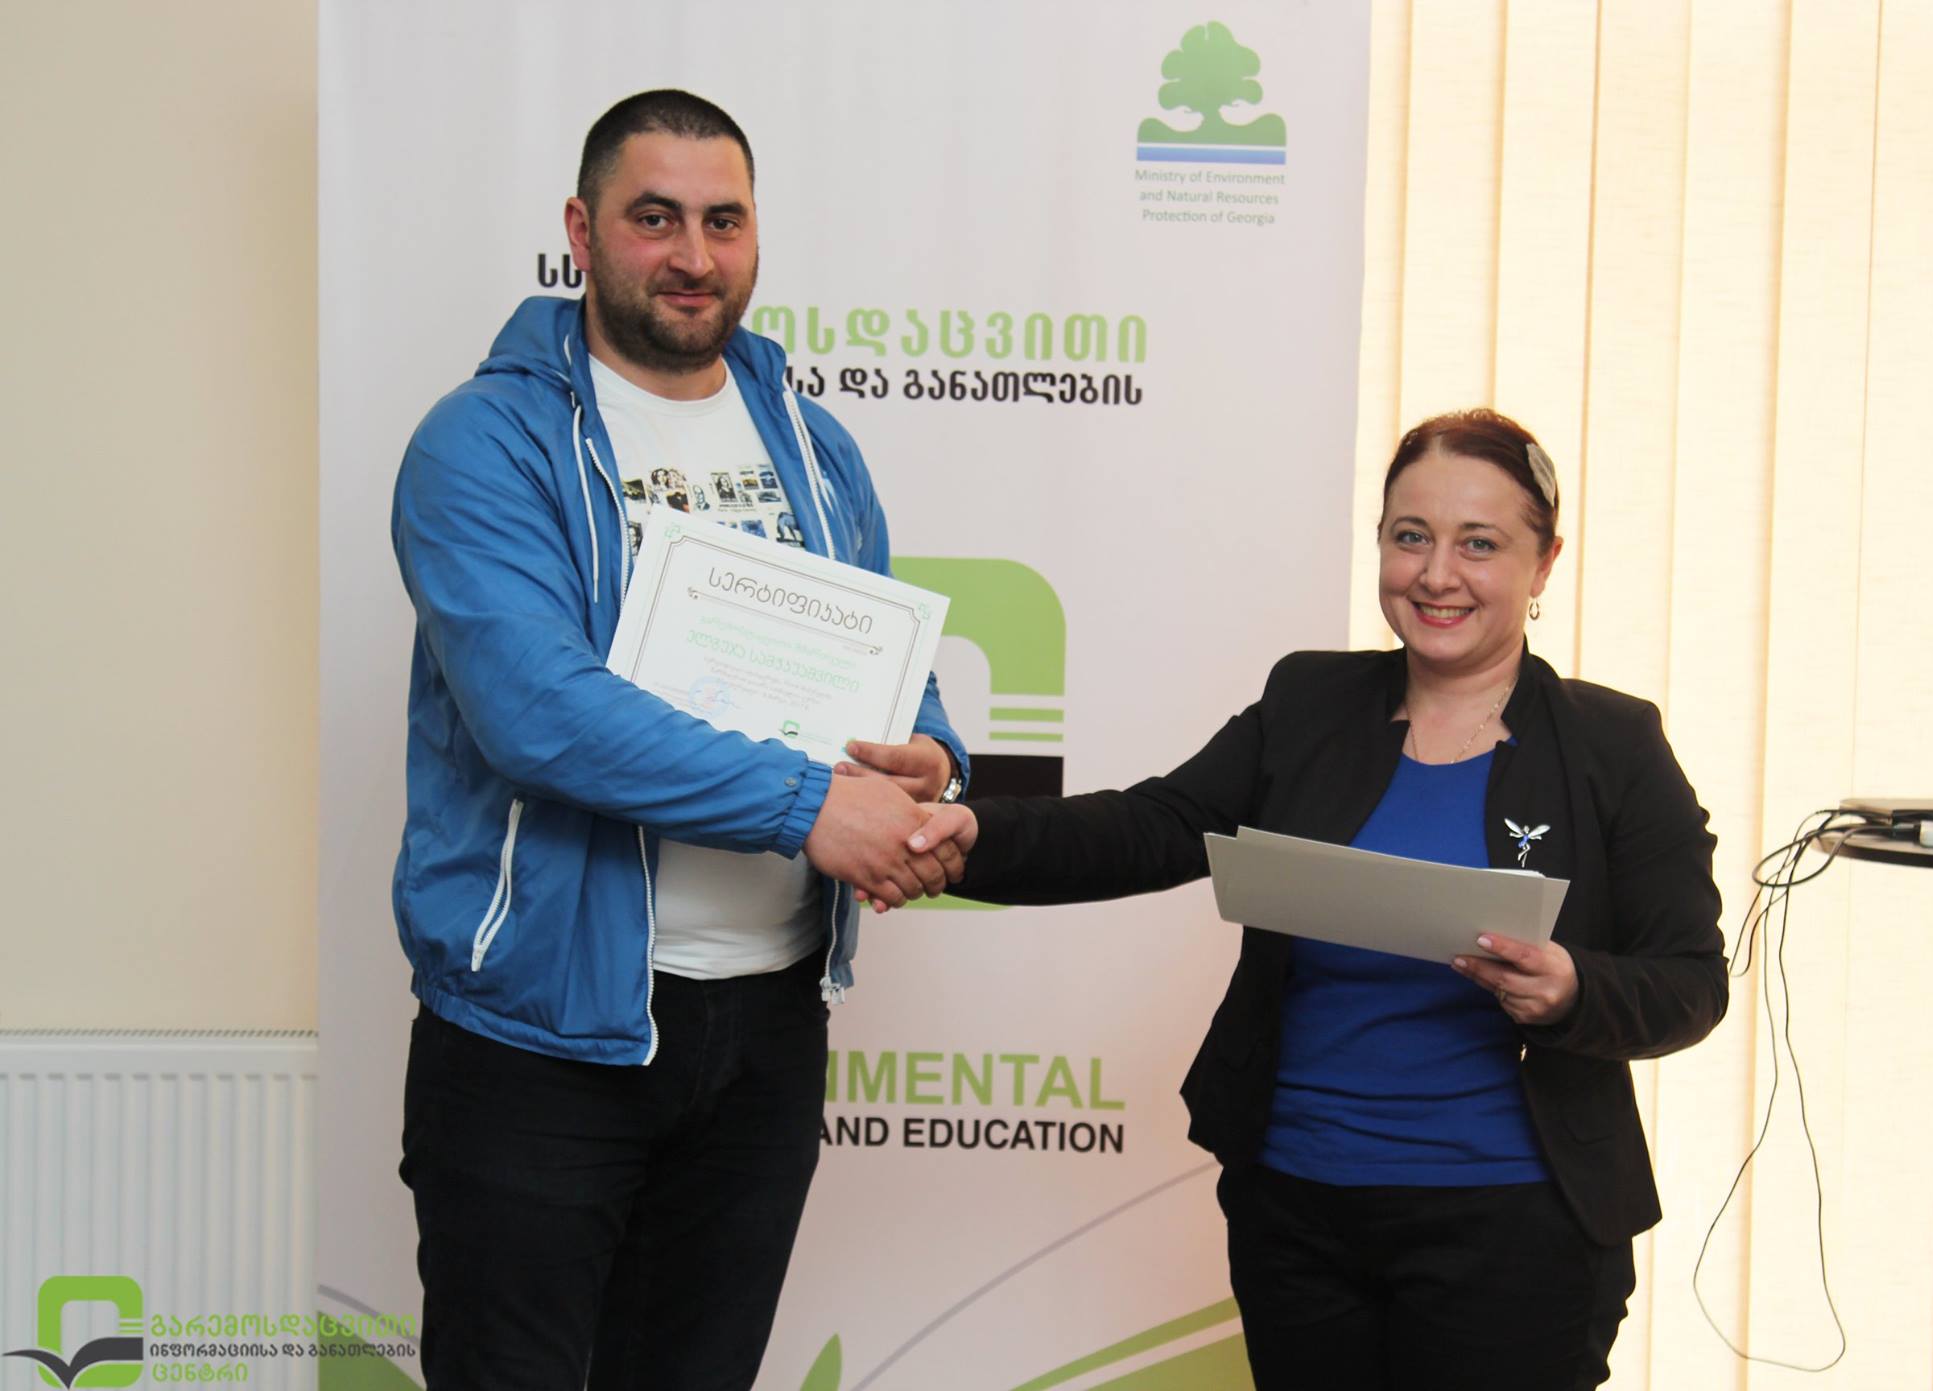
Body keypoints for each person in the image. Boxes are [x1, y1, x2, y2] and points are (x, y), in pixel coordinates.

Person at [905, 409, 1727, 1389]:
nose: (1436, 574)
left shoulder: (1612, 745)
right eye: (1410, 536)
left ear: (1543, 563)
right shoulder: (1307, 704)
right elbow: (1154, 825)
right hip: (1296, 1212)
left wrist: (1572, 989)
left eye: (1479, 544)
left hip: (1515, 1223)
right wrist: (971, 833)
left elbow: (1690, 980)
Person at [389, 89, 968, 1389]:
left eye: (723, 220)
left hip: (765, 1025)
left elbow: (890, 662)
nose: (693, 254)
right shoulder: (483, 443)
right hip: (541, 1036)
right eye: (654, 218)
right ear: (580, 231)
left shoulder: (813, 445)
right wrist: (806, 804)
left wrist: (930, 758)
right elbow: (539, 711)